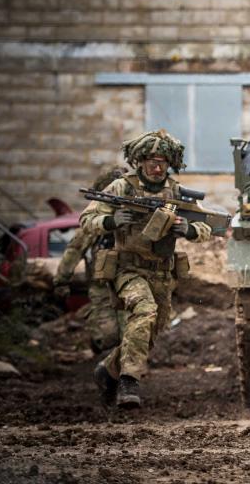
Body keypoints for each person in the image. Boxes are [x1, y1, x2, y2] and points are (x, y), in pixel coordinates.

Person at [79, 130, 211, 408]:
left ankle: (108, 370)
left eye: (162, 161)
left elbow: (208, 227)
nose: (156, 167)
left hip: (163, 273)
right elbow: (87, 218)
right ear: (138, 161)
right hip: (128, 269)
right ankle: (129, 381)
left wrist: (189, 230)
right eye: (151, 161)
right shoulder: (121, 188)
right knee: (144, 311)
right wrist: (111, 221)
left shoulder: (177, 192)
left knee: (151, 328)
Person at [53, 166, 126, 354]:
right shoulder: (95, 222)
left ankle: (125, 372)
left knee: (131, 334)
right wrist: (62, 280)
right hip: (101, 286)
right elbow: (75, 250)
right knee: (108, 335)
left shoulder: (135, 217)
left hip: (130, 284)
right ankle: (98, 341)